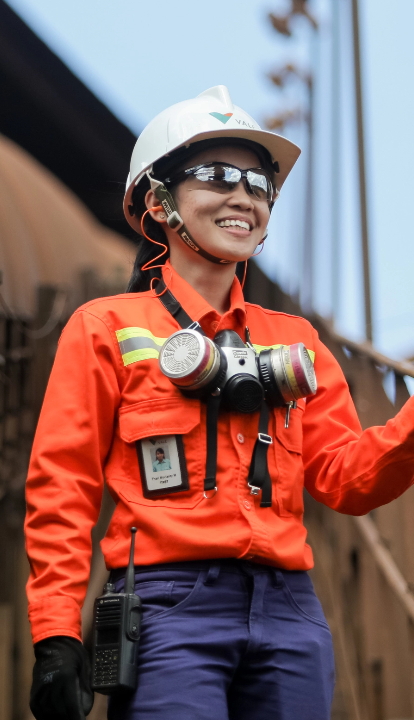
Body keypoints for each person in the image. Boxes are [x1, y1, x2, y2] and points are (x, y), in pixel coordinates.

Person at [26, 85, 414, 720]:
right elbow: (61, 486)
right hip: (165, 610)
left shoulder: (296, 341)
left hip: (291, 612)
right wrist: (55, 633)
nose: (243, 196)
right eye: (215, 176)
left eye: (258, 184)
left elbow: (347, 480)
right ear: (158, 201)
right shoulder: (106, 327)